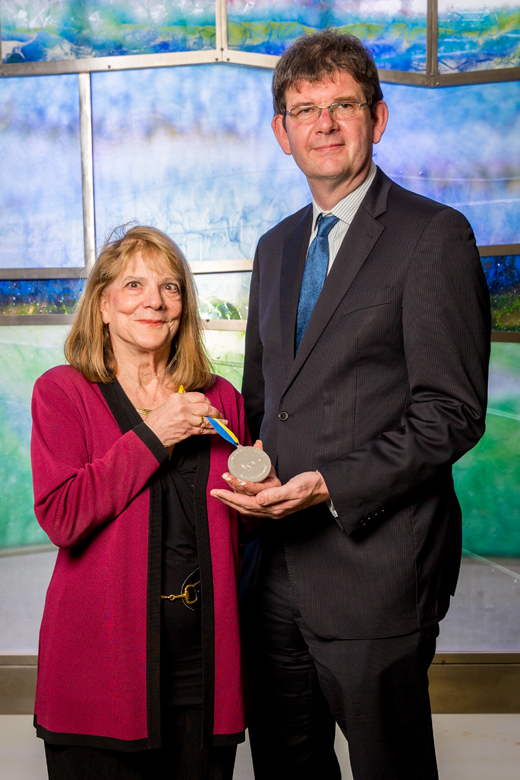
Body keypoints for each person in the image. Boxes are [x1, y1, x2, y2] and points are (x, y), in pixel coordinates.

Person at [211, 30, 491, 780]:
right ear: (282, 133)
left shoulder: (433, 236)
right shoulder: (273, 249)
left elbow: (451, 411)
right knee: (286, 765)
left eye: (342, 105)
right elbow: (269, 405)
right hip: (273, 575)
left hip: (376, 572)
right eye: (305, 109)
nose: (324, 124)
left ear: (378, 117)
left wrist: (329, 483)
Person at [31, 226, 249, 780]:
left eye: (170, 287)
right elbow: (63, 515)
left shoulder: (222, 398)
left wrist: (260, 494)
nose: (154, 300)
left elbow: (239, 532)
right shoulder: (62, 392)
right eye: (134, 285)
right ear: (104, 304)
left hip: (204, 671)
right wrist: (154, 434)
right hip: (100, 671)